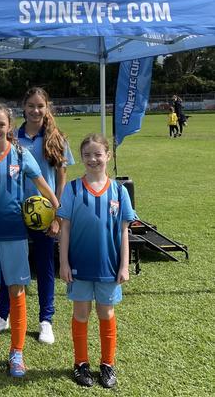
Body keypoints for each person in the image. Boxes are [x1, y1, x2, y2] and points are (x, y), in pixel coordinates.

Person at [0, 103, 59, 377]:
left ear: (9, 126)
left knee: (17, 292)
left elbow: (45, 187)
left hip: (15, 235)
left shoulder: (21, 153)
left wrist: (57, 215)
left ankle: (16, 352)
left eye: (1, 124)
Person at [0, 87, 74, 343]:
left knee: (44, 266)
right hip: (15, 212)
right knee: (11, 265)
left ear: (47, 107)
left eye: (40, 106)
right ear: (23, 108)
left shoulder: (56, 138)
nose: (36, 110)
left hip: (45, 215)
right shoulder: (12, 137)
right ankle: (3, 314)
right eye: (31, 106)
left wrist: (57, 214)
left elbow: (62, 179)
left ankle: (45, 320)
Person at [58, 134, 135, 389]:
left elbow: (124, 231)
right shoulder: (72, 188)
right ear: (81, 158)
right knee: (81, 314)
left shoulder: (119, 191)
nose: (93, 159)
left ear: (108, 156)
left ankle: (107, 364)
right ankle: (81, 363)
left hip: (109, 267)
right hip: (79, 266)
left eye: (98, 154)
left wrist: (124, 265)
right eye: (87, 155)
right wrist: (64, 263)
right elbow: (65, 229)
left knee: (106, 312)